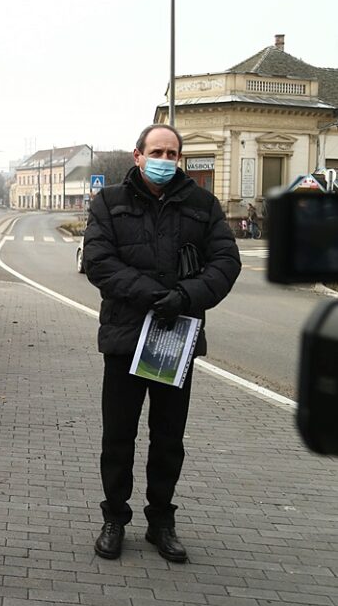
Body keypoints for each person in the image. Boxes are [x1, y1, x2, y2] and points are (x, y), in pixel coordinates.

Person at [83, 124, 241, 563]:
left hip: (176, 339)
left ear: (180, 159)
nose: (165, 159)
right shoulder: (109, 202)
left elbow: (226, 262)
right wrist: (157, 297)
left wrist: (186, 298)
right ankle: (114, 517)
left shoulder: (202, 205)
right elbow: (98, 262)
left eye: (173, 153)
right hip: (125, 337)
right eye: (157, 151)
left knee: (169, 437)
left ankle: (161, 521)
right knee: (118, 436)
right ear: (138, 155)